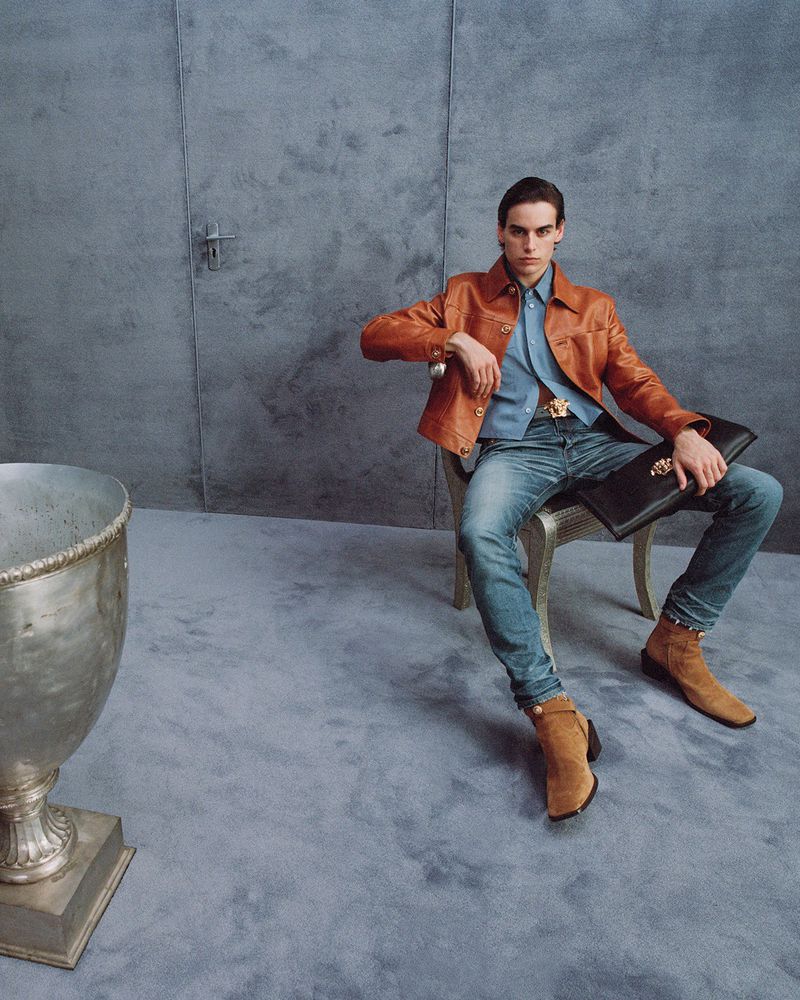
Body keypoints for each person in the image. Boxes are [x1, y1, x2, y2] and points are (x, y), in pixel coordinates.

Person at [361, 177, 782, 822]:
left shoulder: (592, 306)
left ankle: (677, 640)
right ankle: (549, 709)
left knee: (756, 491)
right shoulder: (463, 295)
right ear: (500, 233)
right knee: (480, 532)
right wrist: (454, 339)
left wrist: (681, 430)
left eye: (542, 231)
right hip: (514, 449)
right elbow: (375, 335)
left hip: (591, 443)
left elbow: (633, 382)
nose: (529, 244)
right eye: (517, 231)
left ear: (560, 233)